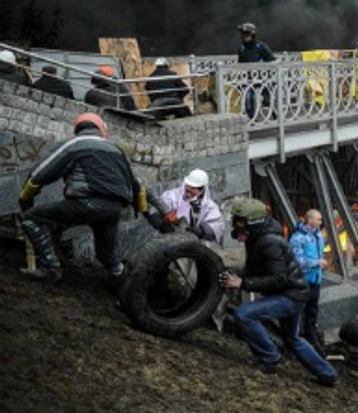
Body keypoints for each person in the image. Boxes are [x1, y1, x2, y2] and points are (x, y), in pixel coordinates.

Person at [18, 113, 147, 286]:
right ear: (101, 129)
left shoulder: (74, 144)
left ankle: (50, 268)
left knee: (31, 218)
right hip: (114, 209)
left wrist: (25, 200)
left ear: (78, 128)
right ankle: (123, 282)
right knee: (106, 254)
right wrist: (143, 211)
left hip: (86, 204)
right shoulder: (117, 150)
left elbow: (40, 173)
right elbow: (138, 187)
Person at [219, 198, 336, 384]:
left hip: (291, 295)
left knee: (244, 314)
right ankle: (328, 375)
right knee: (292, 339)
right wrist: (240, 276)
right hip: (293, 291)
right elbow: (258, 266)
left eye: (240, 221)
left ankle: (270, 358)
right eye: (236, 220)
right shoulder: (257, 236)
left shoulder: (269, 242)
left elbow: (278, 279)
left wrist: (243, 283)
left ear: (253, 222)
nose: (236, 225)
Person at [147, 169, 224, 248]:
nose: (188, 189)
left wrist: (201, 230)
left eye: (193, 188)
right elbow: (157, 208)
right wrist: (161, 223)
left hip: (198, 244)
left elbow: (217, 225)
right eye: (188, 186)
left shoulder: (209, 206)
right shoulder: (173, 196)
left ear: (201, 190)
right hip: (171, 240)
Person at [289, 209, 326, 355]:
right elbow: (297, 260)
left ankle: (311, 339)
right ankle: (295, 339)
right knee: (299, 310)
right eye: (318, 219)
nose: (320, 222)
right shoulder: (298, 238)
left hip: (315, 279)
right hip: (302, 280)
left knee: (312, 311)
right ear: (310, 220)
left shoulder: (318, 235)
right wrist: (316, 263)